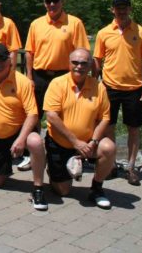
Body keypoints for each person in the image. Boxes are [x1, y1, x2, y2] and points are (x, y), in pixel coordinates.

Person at [0, 44, 47, 211]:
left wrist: (21, 139)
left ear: (10, 60)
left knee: (35, 141)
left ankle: (38, 188)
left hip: (20, 132)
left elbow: (33, 114)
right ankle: (6, 163)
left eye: (2, 59)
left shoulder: (23, 82)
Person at [22, 0, 89, 171]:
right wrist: (29, 76)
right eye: (48, 1)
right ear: (44, 3)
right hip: (40, 75)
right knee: (34, 115)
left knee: (64, 116)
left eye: (55, 0)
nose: (52, 4)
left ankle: (65, 155)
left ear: (62, 1)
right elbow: (29, 52)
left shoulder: (74, 23)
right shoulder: (36, 24)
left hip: (63, 77)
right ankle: (33, 154)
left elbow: (81, 52)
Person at [94, 0, 142, 186]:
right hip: (109, 86)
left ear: (130, 9)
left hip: (134, 88)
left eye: (124, 7)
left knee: (133, 129)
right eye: (118, 7)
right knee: (108, 127)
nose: (121, 11)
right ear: (112, 10)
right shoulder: (103, 33)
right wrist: (95, 84)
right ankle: (111, 164)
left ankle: (131, 167)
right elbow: (97, 60)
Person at [44, 48, 116, 209]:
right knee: (63, 191)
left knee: (108, 147)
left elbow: (104, 118)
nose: (79, 66)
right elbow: (51, 116)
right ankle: (53, 171)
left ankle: (96, 188)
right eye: (75, 62)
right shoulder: (57, 84)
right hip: (61, 143)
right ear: (69, 64)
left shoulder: (99, 87)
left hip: (88, 144)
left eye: (84, 63)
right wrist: (75, 142)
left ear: (90, 65)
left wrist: (93, 142)